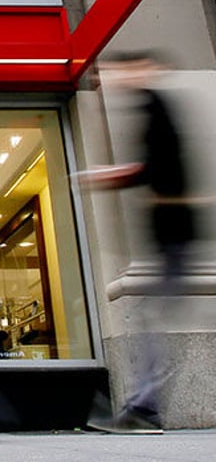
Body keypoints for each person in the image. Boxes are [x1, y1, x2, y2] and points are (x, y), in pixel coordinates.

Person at [79, 51, 198, 434]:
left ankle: (144, 410)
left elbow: (162, 166)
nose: (111, 80)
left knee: (154, 322)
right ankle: (143, 408)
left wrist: (115, 174)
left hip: (175, 234)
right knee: (153, 319)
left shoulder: (157, 106)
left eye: (118, 71)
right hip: (170, 236)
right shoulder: (150, 106)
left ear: (143, 69)